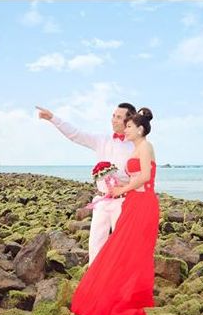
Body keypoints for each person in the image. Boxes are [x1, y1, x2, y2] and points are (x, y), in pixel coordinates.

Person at [70, 107, 159, 315]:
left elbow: (146, 177)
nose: (125, 129)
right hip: (133, 201)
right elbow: (134, 177)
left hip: (144, 203)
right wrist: (114, 184)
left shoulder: (145, 146)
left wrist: (121, 190)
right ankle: (117, 289)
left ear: (140, 129)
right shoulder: (136, 148)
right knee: (123, 248)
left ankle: (132, 293)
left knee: (133, 250)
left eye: (129, 126)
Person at [36, 102, 136, 263]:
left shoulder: (135, 146)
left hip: (123, 202)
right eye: (113, 115)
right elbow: (76, 134)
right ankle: (95, 276)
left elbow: (141, 176)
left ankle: (121, 277)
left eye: (118, 117)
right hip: (102, 200)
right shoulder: (102, 139)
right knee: (95, 244)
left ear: (129, 121)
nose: (113, 119)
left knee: (122, 246)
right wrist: (53, 118)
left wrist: (123, 184)